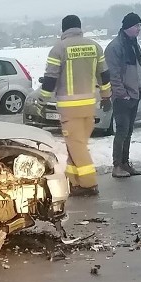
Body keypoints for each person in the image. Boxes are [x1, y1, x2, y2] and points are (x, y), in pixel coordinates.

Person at [40, 15, 112, 197]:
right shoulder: (95, 46)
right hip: (89, 105)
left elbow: (50, 79)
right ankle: (74, 182)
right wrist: (106, 96)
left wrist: (42, 99)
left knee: (77, 145)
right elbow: (104, 75)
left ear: (63, 29)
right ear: (79, 28)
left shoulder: (59, 49)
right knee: (76, 145)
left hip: (69, 108)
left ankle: (89, 184)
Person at [104, 12, 141, 179]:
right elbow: (113, 74)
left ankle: (125, 163)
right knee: (121, 130)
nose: (139, 29)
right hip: (123, 97)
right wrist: (122, 94)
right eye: (137, 26)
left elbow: (138, 67)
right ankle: (117, 166)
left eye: (139, 25)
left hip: (134, 93)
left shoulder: (133, 44)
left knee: (129, 131)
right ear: (128, 27)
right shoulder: (115, 47)